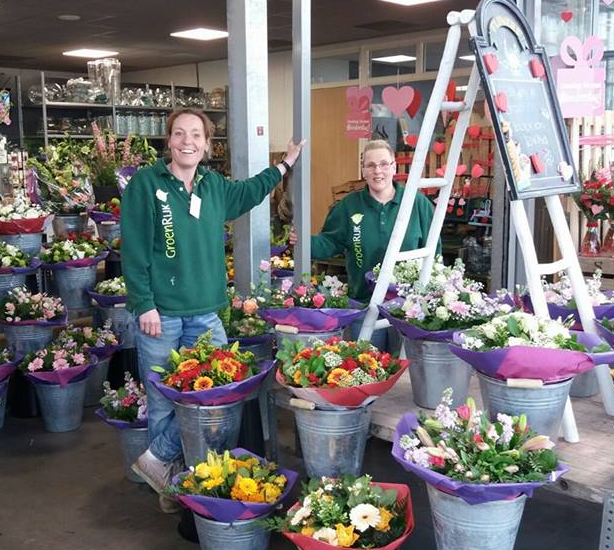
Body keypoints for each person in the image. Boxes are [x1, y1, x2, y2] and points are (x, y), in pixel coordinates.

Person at [121, 107, 305, 512]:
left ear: (206, 144)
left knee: (218, 394)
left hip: (206, 313)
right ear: (169, 140)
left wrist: (285, 164)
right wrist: (144, 304)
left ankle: (159, 461)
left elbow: (252, 191)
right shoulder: (146, 185)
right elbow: (133, 251)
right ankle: (170, 488)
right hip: (161, 315)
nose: (188, 141)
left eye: (196, 135)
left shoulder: (213, 186)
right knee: (163, 400)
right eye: (180, 133)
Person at [291, 139, 438, 346]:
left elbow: (434, 253)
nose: (378, 171)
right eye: (371, 165)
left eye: (384, 164)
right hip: (364, 303)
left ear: (394, 167)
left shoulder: (417, 203)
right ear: (363, 170)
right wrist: (303, 243)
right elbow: (330, 242)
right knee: (370, 366)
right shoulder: (349, 206)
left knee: (406, 368)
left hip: (409, 307)